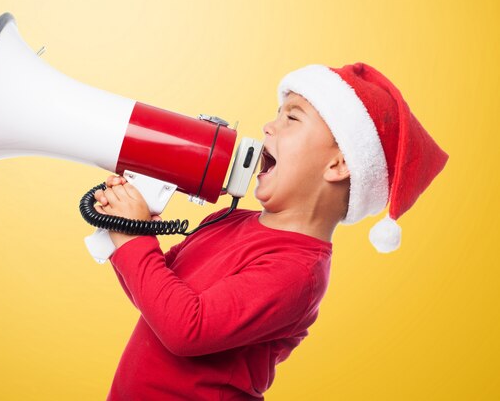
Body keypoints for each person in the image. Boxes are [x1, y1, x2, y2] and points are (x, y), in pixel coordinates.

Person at [92, 63, 449, 400]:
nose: (268, 126)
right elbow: (156, 294)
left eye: (292, 117)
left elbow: (187, 329)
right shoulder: (230, 221)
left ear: (338, 164)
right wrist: (128, 226)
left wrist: (133, 238)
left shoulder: (298, 271)